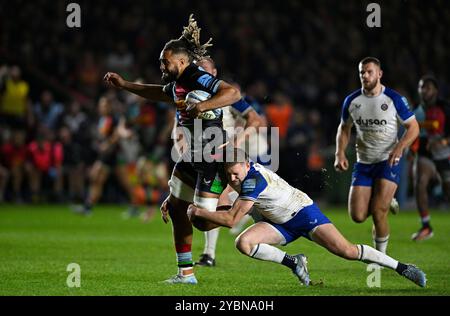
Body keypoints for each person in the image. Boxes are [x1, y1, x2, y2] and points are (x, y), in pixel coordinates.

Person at [104, 14, 241, 284]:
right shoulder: (179, 81)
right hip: (192, 155)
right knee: (177, 208)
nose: (161, 66)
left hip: (212, 155)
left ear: (181, 61)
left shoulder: (197, 76)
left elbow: (233, 93)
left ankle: (238, 206)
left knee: (200, 220)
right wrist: (125, 85)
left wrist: (202, 106)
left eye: (165, 62)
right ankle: (186, 273)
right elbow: (158, 92)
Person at [187, 147, 426, 288]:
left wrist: (197, 212)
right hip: (276, 222)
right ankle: (295, 262)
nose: (233, 179)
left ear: (247, 165)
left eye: (235, 174)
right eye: (229, 175)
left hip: (301, 213)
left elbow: (230, 219)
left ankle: (403, 268)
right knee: (243, 243)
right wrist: (202, 207)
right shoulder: (236, 175)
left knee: (347, 251)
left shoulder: (252, 180)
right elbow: (224, 199)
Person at [334, 57, 419, 254]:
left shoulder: (394, 99)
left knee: (378, 212)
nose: (365, 75)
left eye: (369, 71)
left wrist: (400, 147)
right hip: (364, 163)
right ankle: (388, 200)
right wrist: (339, 153)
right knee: (357, 215)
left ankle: (380, 257)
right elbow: (344, 128)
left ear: (379, 74)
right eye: (362, 72)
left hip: (388, 161)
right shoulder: (352, 100)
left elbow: (413, 127)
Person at [193, 56, 268, 267]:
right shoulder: (190, 95)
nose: (201, 73)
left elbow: (256, 120)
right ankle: (258, 218)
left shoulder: (226, 95)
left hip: (225, 157)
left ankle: (209, 254)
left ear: (214, 73)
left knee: (216, 202)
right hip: (202, 155)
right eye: (197, 70)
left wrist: (236, 141)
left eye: (205, 69)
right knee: (219, 203)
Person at [410, 76, 450, 241]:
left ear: (435, 91)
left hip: (445, 153)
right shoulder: (417, 110)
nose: (424, 90)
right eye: (421, 87)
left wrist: (445, 140)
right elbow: (412, 131)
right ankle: (426, 226)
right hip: (425, 153)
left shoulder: (445, 107)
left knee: (448, 189)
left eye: (428, 87)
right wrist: (412, 148)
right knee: (420, 183)